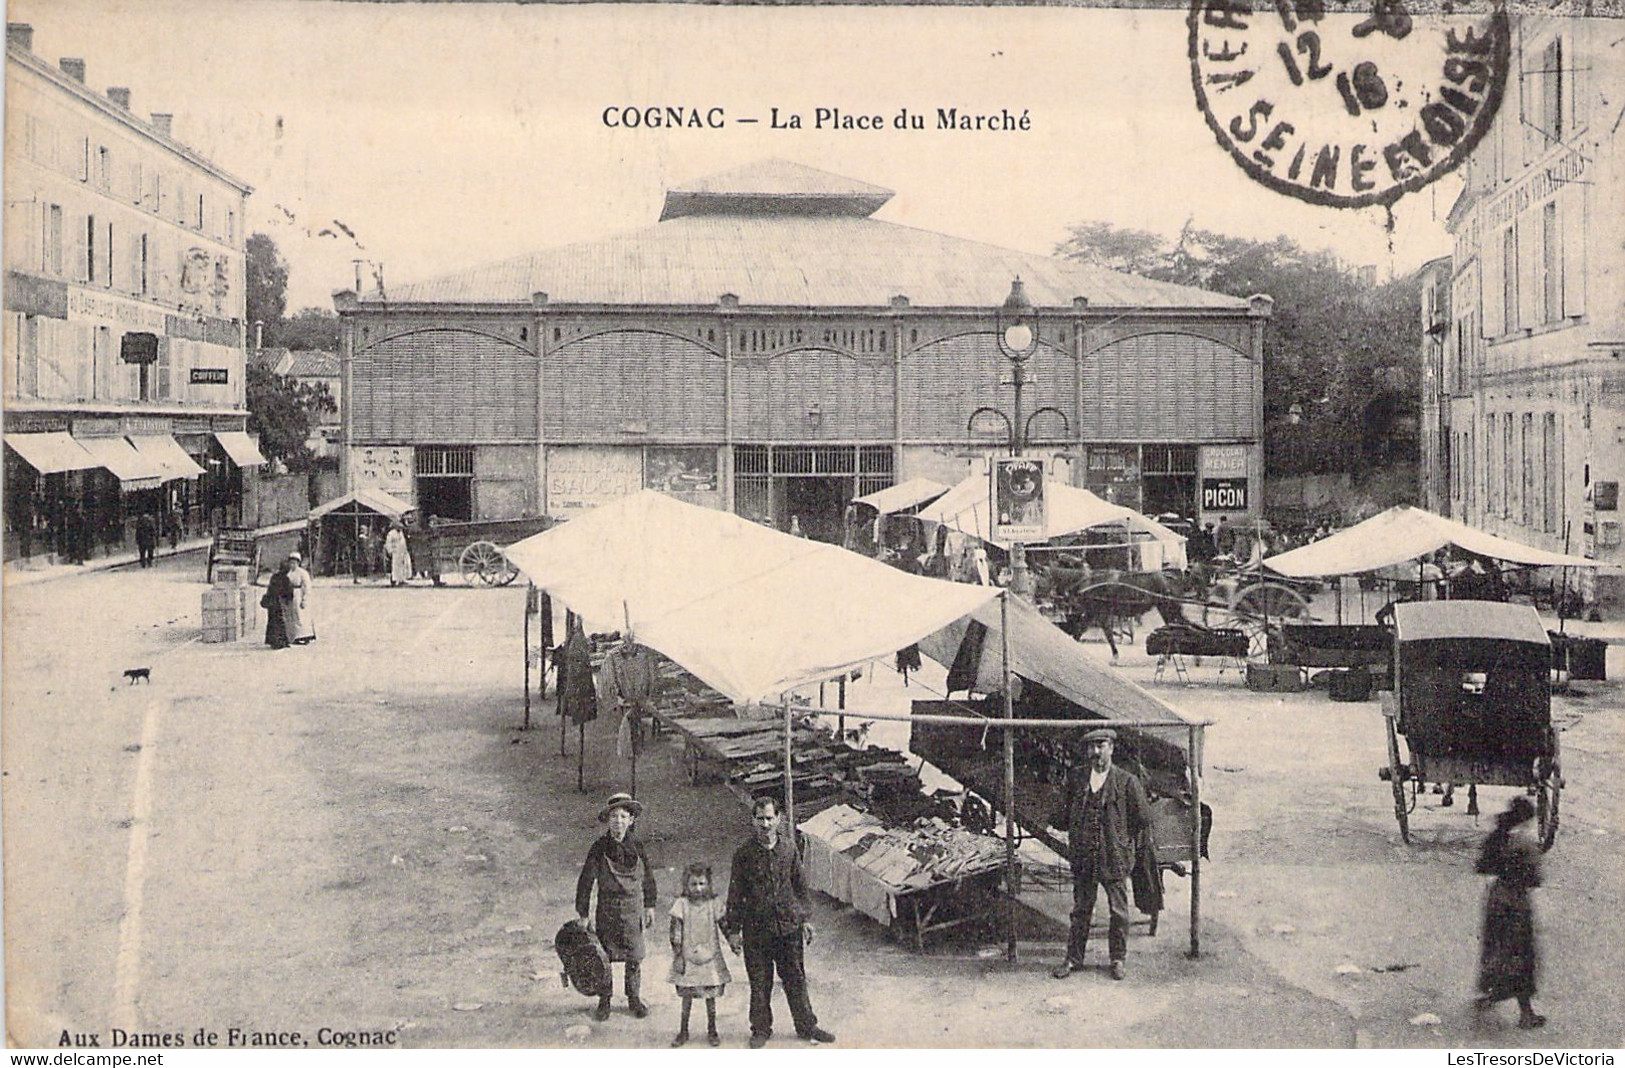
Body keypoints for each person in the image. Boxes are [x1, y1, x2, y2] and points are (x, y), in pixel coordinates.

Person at [722, 796, 836, 1048]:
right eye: (760, 819)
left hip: (788, 928)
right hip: (756, 931)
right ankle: (761, 1029)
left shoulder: (789, 849)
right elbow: (734, 895)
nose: (765, 824)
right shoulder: (743, 855)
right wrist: (733, 931)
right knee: (760, 982)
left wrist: (805, 919)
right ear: (753, 821)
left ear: (779, 819)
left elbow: (800, 886)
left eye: (770, 818)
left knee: (795, 978)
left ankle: (807, 1025)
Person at [1050, 728, 1153, 981]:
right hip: (1084, 856)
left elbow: (1142, 818)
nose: (1096, 752)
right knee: (1081, 909)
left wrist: (1118, 837)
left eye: (1101, 745)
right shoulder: (1077, 778)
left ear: (1112, 748)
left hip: (1114, 857)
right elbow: (1062, 814)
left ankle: (1117, 959)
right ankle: (1073, 959)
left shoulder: (1127, 781)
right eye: (1092, 747)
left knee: (1118, 911)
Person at [576, 793, 657, 1021]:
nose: (618, 821)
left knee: (634, 958)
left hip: (633, 909)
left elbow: (648, 877)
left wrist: (650, 905)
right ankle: (605, 1000)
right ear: (608, 820)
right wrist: (583, 913)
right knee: (604, 958)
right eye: (614, 816)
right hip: (608, 909)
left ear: (630, 820)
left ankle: (633, 998)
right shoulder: (600, 847)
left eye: (623, 816)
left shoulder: (638, 846)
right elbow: (586, 880)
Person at [1475, 797, 1546, 1029]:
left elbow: (1482, 865)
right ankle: (1526, 1014)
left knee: (1495, 947)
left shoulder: (1498, 835)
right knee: (1521, 955)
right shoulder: (1526, 842)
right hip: (1516, 902)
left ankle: (1489, 995)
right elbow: (1535, 878)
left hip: (1496, 898)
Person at [667, 862, 731, 1047]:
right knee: (687, 996)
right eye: (693, 884)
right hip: (688, 958)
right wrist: (678, 955)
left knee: (710, 996)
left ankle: (712, 1030)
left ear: (708, 884)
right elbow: (675, 932)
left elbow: (724, 925)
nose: (698, 888)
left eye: (702, 883)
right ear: (686, 885)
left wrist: (733, 941)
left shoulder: (714, 904)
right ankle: (683, 1030)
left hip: (710, 957)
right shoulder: (681, 905)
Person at [283, 551, 316, 645]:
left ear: (298, 563)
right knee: (291, 615)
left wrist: (304, 599)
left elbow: (306, 586)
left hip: (298, 594)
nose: (292, 565)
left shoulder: (303, 573)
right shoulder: (288, 573)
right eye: (290, 563)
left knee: (300, 615)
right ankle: (293, 636)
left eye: (294, 563)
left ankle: (304, 635)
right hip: (290, 594)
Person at [261, 559, 293, 649]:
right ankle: (280, 642)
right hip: (279, 603)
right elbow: (288, 592)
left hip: (272, 602)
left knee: (272, 622)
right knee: (280, 622)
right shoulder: (286, 579)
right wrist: (289, 599)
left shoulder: (274, 577)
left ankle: (273, 641)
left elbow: (270, 589)